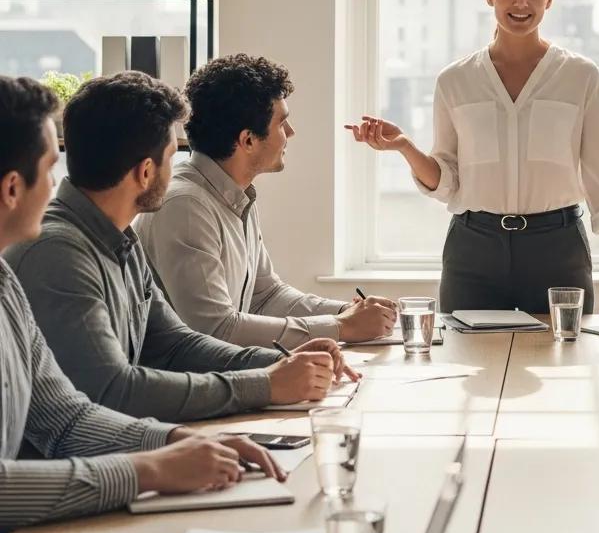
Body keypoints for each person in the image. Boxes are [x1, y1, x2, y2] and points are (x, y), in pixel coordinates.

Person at [0, 75, 285, 533]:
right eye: (51, 167)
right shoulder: (50, 253)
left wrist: (175, 441)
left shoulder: (9, 284)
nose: (57, 183)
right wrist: (148, 469)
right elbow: (109, 392)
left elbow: (68, 417)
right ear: (13, 188)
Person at [4, 71, 359, 424]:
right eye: (172, 157)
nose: (177, 171)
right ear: (146, 172)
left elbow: (175, 344)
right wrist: (263, 384)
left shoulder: (119, 239)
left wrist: (278, 362)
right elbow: (113, 391)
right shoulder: (58, 254)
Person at [345, 0, 599, 314]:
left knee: (564, 363)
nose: (520, 3)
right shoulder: (455, 80)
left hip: (557, 249)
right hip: (473, 251)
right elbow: (447, 182)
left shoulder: (581, 77)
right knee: (467, 365)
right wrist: (405, 147)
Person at [135, 54, 396, 349]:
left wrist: (346, 312)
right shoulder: (185, 207)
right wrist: (341, 327)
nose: (291, 133)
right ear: (247, 140)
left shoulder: (236, 194)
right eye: (282, 123)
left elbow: (266, 296)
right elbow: (214, 329)